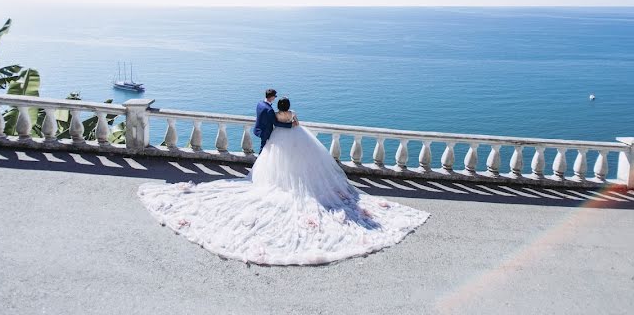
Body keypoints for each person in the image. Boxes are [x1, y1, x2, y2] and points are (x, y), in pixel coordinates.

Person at [138, 96, 429, 265]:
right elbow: (296, 125)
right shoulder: (293, 115)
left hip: (280, 142)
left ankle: (283, 187)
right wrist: (293, 122)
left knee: (280, 168)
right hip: (298, 141)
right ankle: (296, 188)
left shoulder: (275, 113)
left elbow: (276, 124)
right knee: (304, 169)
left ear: (280, 104)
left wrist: (279, 122)